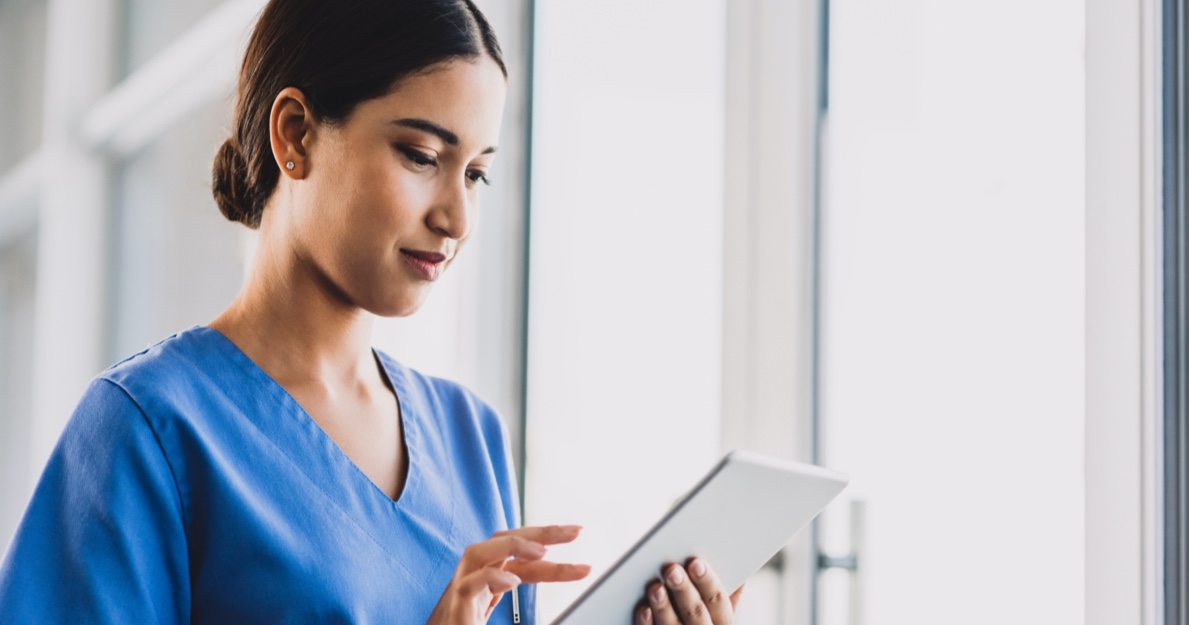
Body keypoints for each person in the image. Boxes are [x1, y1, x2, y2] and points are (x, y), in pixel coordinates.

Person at [0, 1, 742, 623]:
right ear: (295, 136)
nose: (456, 216)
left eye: (477, 172)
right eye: (421, 155)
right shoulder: (148, 429)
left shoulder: (469, 436)